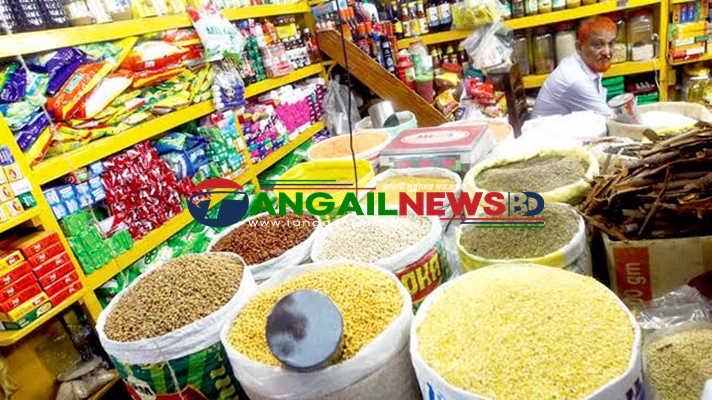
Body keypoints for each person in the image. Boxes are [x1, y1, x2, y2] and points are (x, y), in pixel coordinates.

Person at [531, 16, 617, 118]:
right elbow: (609, 119)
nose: (607, 52)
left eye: (611, 44)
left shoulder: (589, 63)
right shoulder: (576, 79)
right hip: (549, 128)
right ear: (579, 47)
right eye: (598, 45)